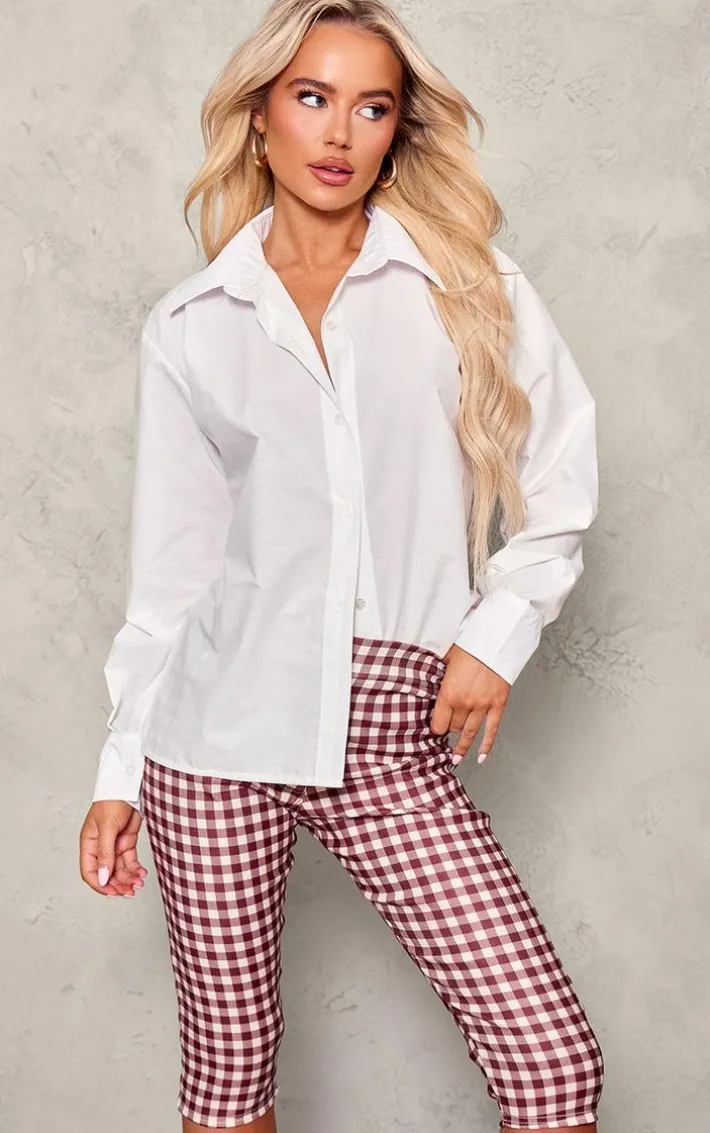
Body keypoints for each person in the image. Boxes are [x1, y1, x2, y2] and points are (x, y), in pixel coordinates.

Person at [79, 1, 605, 1130]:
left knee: (550, 1061)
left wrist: (495, 634)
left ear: (395, 131)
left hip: (387, 732)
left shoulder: (468, 286)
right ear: (260, 116)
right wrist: (120, 769)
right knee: (229, 1079)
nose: (337, 131)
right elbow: (172, 574)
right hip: (212, 739)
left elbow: (561, 481)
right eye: (311, 97)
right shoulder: (193, 322)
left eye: (371, 107)